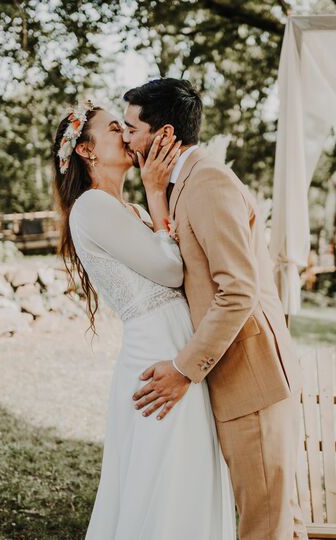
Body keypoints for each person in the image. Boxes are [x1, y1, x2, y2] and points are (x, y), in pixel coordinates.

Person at [124, 78, 308, 540]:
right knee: (275, 519)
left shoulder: (207, 181)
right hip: (238, 382)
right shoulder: (187, 181)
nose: (125, 139)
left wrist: (183, 369)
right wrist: (155, 193)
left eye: (130, 128)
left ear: (163, 136)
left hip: (252, 382)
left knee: (264, 527)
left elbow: (238, 290)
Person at [53, 100, 236, 539]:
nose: (128, 134)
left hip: (177, 346)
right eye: (114, 128)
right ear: (86, 150)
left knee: (187, 475)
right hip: (156, 353)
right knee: (164, 481)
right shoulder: (92, 206)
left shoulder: (128, 211)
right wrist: (157, 193)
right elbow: (171, 270)